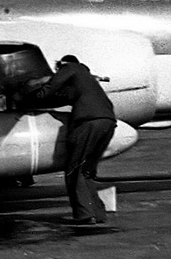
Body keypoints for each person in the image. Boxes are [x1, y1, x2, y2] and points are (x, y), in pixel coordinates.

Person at [25, 55, 118, 224]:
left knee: (75, 170)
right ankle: (98, 214)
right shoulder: (86, 79)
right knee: (87, 171)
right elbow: (63, 97)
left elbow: (49, 90)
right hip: (108, 123)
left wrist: (28, 96)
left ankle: (85, 215)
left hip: (88, 124)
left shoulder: (71, 68)